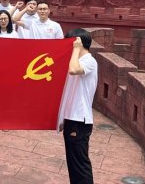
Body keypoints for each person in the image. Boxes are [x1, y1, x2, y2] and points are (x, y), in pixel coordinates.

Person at [57, 28, 98, 184]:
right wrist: (63, 118)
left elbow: (74, 70)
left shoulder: (89, 61)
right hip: (72, 119)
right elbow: (69, 93)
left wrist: (76, 48)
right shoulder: (76, 61)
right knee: (73, 164)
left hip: (80, 120)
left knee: (80, 164)